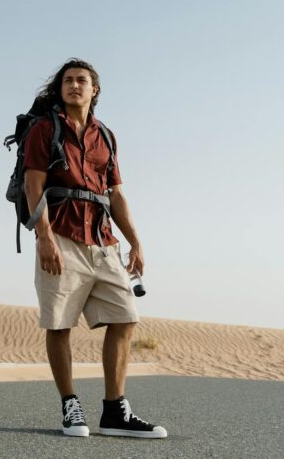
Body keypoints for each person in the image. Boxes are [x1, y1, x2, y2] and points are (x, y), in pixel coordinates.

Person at [23, 58, 167, 439]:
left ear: (94, 90)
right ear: (61, 88)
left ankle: (114, 410)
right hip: (61, 236)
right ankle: (70, 405)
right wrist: (44, 237)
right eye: (68, 80)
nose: (74, 85)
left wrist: (135, 240)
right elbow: (33, 185)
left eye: (82, 80)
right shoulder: (44, 129)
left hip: (103, 242)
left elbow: (116, 193)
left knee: (126, 317)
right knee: (59, 323)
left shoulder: (106, 136)